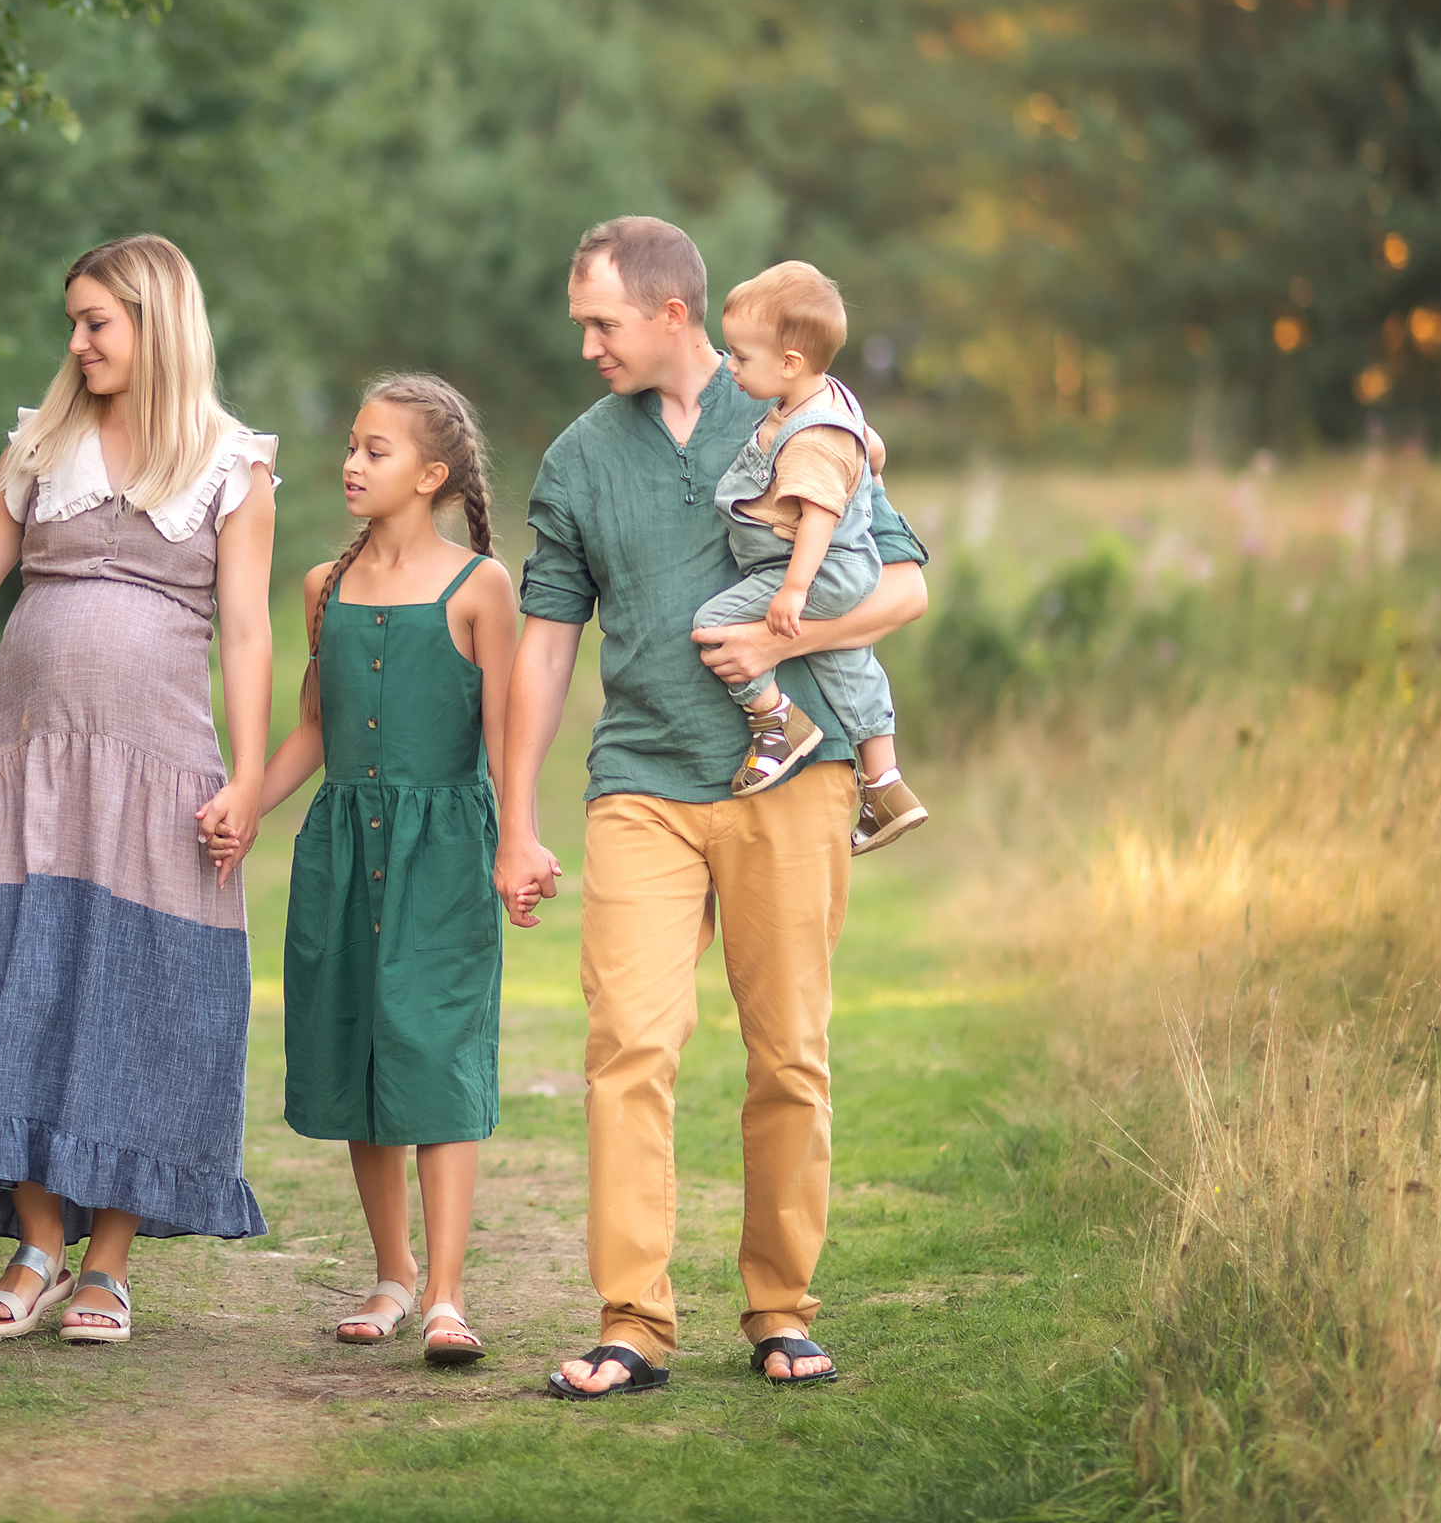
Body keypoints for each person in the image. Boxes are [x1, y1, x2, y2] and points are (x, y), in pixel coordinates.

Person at [492, 217, 930, 1400]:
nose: (585, 342)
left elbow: (902, 583)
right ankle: (632, 1320)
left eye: (601, 320)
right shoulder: (578, 458)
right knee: (628, 1046)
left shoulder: (800, 409)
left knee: (789, 1053)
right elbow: (542, 650)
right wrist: (515, 817)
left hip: (797, 779)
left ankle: (780, 1307)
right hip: (639, 783)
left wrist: (785, 634)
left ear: (671, 314)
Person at [0, 235, 277, 1345]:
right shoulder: (40, 442)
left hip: (158, 774)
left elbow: (250, 631)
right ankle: (36, 1244)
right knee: (13, 979)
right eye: (72, 321)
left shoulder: (232, 464)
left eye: (94, 322)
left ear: (153, 321)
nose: (75, 342)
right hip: (26, 765)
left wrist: (251, 779)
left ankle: (107, 1265)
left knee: (144, 1000)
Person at [233, 375, 517, 1366]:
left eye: (375, 451)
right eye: (350, 446)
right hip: (342, 851)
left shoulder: (480, 585)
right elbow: (312, 727)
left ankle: (446, 1294)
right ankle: (392, 1276)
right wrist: (245, 806)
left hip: (441, 851)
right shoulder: (323, 587)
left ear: (432, 474)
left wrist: (515, 841)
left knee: (432, 1053)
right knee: (361, 1049)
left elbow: (503, 740)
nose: (351, 464)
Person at [691, 261, 927, 853]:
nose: (730, 366)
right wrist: (867, 463)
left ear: (789, 363)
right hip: (848, 569)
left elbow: (817, 518)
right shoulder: (832, 398)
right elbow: (871, 447)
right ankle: (886, 785)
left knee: (713, 624)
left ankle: (777, 723)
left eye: (741, 359)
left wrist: (793, 590)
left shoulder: (809, 438)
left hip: (812, 569)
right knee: (848, 664)